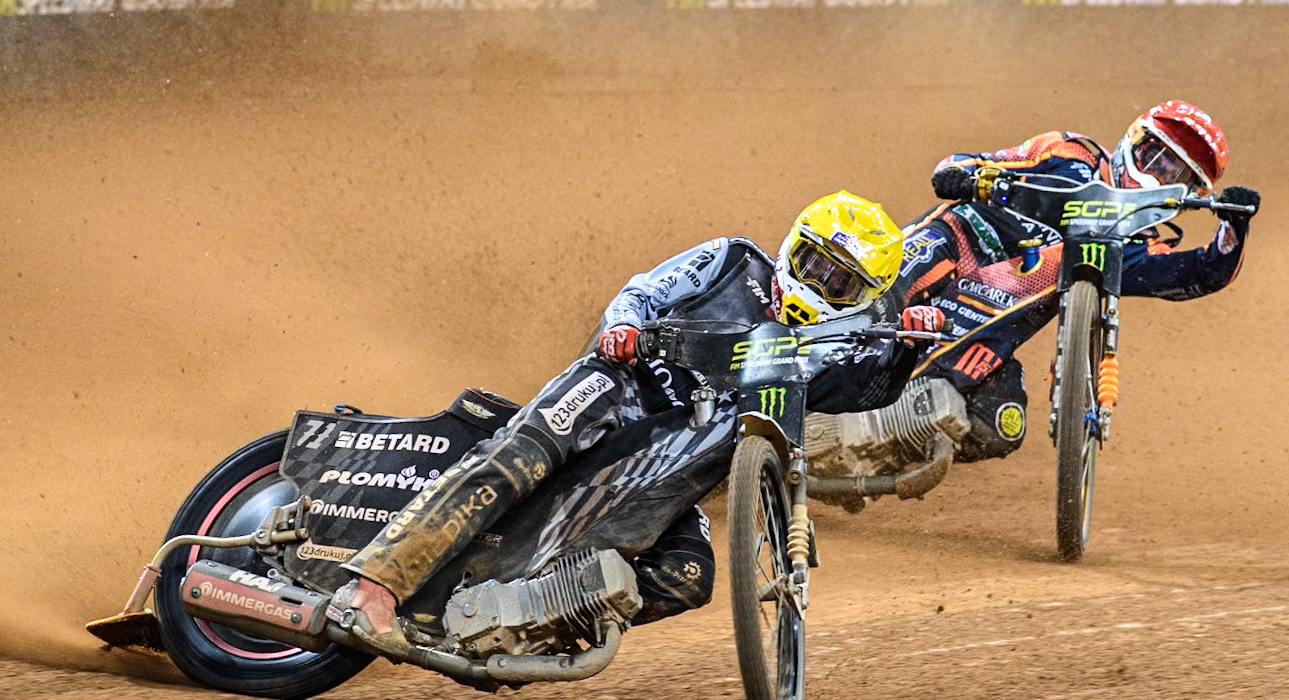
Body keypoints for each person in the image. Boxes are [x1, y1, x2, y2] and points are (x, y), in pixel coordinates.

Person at [337, 191, 946, 654]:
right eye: (815, 262)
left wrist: (909, 348)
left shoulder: (838, 343)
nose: (820, 283)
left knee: (689, 576)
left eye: (842, 282)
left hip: (673, 459)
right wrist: (625, 326)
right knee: (524, 452)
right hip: (619, 386)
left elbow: (862, 394)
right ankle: (375, 586)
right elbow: (643, 291)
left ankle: (520, 620)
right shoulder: (734, 260)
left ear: (866, 297)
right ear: (793, 244)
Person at [875, 101, 1260, 462]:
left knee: (1001, 425)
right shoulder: (1068, 152)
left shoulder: (1131, 248)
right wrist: (959, 173)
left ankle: (875, 453)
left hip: (979, 328)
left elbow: (1205, 272)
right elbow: (978, 162)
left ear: (1191, 193)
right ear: (1134, 141)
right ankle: (833, 347)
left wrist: (1234, 222)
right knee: (889, 284)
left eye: (1177, 175)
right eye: (1156, 159)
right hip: (957, 244)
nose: (1159, 176)